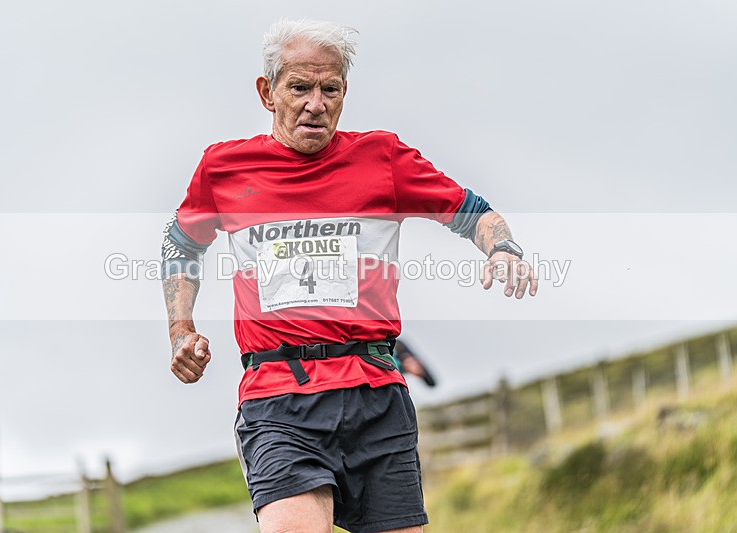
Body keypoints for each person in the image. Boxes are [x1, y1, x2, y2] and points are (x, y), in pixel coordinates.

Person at [160, 19, 537, 533]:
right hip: (278, 397)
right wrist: (181, 328)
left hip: (375, 394)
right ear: (267, 93)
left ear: (344, 92)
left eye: (329, 89)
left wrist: (503, 247)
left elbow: (475, 212)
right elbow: (181, 243)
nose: (315, 103)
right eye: (299, 87)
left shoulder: (383, 158)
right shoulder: (225, 168)